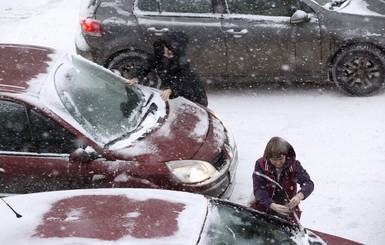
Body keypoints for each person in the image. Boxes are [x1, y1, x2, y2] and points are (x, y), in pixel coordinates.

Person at [126, 31, 208, 107]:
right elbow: (145, 65)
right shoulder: (158, 54)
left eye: (173, 53)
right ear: (164, 46)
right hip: (177, 94)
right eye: (168, 51)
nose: (169, 54)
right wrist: (136, 77)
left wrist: (171, 89)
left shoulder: (182, 62)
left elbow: (182, 79)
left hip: (193, 94)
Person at [250, 136, 314, 223]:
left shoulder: (294, 166)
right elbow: (258, 189)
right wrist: (271, 204)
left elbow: (308, 183)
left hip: (287, 211)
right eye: (274, 160)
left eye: (281, 159)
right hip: (264, 208)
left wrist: (299, 196)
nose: (278, 163)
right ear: (268, 157)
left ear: (286, 155)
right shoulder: (260, 165)